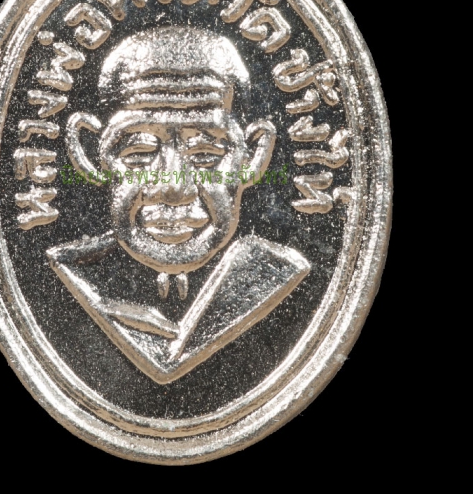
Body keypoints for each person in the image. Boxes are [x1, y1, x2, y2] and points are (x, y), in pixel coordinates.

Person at [47, 26, 310, 383]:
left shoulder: (278, 272)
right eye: (139, 152)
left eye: (205, 154)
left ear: (253, 157)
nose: (173, 188)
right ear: (92, 156)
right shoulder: (76, 270)